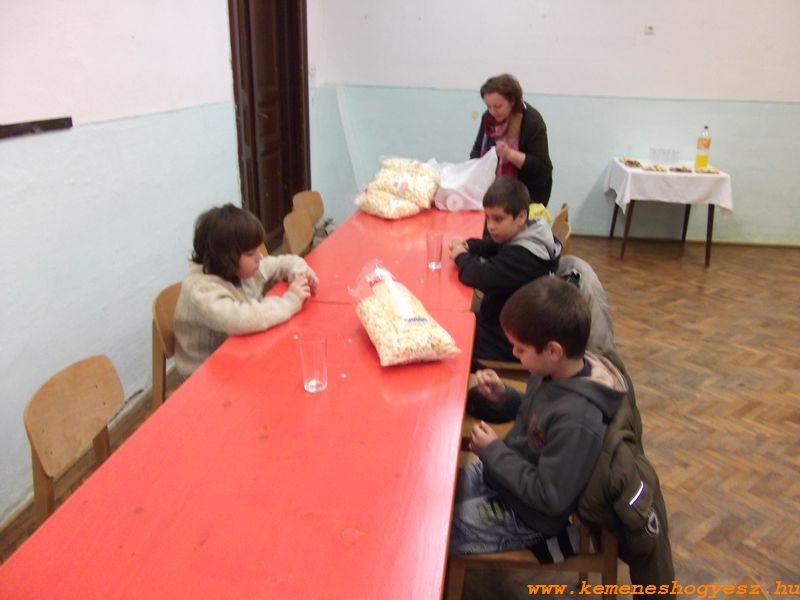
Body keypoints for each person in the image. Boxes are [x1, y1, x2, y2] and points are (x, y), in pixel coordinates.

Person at [449, 276, 627, 555]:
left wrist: (493, 450)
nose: (513, 353)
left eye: (520, 349)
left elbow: (549, 496)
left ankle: (557, 543)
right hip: (501, 475)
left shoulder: (578, 420)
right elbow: (539, 419)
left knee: (437, 532)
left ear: (553, 351)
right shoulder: (552, 373)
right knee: (433, 497)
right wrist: (504, 397)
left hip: (525, 514)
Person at [174, 203, 318, 378]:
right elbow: (243, 319)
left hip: (241, 351)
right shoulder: (201, 291)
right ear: (225, 258)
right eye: (250, 253)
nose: (259, 257)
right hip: (205, 374)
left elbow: (283, 262)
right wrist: (291, 300)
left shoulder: (243, 269)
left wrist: (300, 273)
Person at [449, 177, 561, 364]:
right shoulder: (527, 230)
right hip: (509, 319)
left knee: (453, 336)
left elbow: (480, 276)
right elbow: (492, 244)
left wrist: (460, 256)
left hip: (512, 339)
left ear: (521, 216)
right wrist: (469, 245)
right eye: (488, 218)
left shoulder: (523, 255)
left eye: (498, 219)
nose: (491, 226)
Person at [470, 73, 553, 207]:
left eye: (498, 106)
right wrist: (473, 172)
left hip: (529, 192)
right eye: (488, 106)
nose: (492, 111)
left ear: (512, 101)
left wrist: (509, 154)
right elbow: (477, 150)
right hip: (495, 188)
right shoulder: (488, 119)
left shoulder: (531, 122)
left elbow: (542, 167)